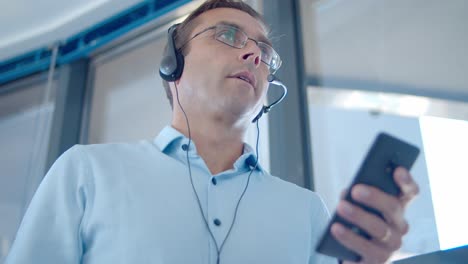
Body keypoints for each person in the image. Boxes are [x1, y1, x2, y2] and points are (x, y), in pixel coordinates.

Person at [5, 1, 419, 263]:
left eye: (265, 52)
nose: (254, 53)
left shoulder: (307, 210)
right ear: (173, 66)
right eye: (228, 35)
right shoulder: (87, 172)